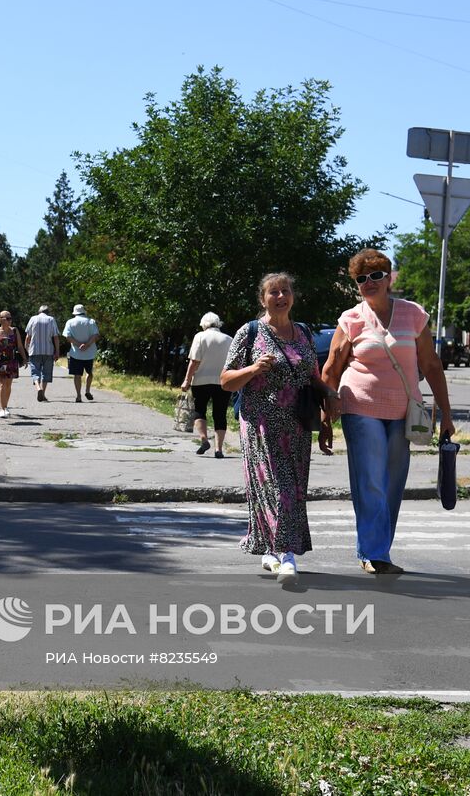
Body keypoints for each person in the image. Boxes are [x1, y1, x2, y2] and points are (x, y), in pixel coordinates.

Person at [320, 249, 455, 576]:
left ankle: (380, 550)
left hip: (403, 411)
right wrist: (325, 417)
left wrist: (446, 416)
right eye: (361, 279)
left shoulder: (413, 315)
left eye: (375, 276)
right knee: (371, 481)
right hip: (360, 406)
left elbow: (432, 365)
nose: (369, 283)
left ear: (388, 278)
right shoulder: (350, 319)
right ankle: (373, 553)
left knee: (393, 482)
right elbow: (330, 370)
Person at [220, 273, 335, 587]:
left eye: (285, 291)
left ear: (293, 296)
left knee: (293, 491)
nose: (281, 296)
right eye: (274, 292)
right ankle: (287, 555)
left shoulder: (303, 333)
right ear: (263, 298)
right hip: (261, 423)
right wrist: (254, 368)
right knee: (277, 488)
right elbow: (226, 379)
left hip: (297, 425)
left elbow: (312, 377)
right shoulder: (250, 332)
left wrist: (329, 399)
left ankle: (270, 549)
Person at [180, 312, 234, 458]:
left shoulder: (200, 336)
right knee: (220, 414)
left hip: (201, 381)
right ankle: (219, 449)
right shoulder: (229, 339)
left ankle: (204, 439)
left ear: (204, 324)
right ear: (218, 323)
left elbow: (194, 361)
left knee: (200, 410)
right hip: (222, 381)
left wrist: (186, 380)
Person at [0, 309, 30, 419]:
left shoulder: (14, 331)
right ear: (1, 320)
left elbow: (19, 346)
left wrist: (25, 358)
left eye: (10, 318)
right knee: (1, 384)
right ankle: (2, 409)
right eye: (7, 318)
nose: (10, 320)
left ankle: (5, 406)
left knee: (8, 385)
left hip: (11, 358)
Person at [62, 304, 101, 403]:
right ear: (84, 311)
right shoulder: (91, 321)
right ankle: (87, 390)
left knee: (77, 375)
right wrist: (87, 345)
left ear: (74, 312)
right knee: (89, 373)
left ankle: (78, 395)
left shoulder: (70, 322)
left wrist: (78, 344)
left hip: (76, 353)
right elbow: (96, 336)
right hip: (89, 353)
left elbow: (67, 336)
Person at [23, 305, 60, 401]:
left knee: (35, 372)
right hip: (48, 351)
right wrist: (57, 351)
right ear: (48, 312)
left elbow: (28, 336)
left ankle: (38, 388)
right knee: (46, 373)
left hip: (34, 350)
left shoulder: (33, 319)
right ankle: (42, 393)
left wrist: (26, 348)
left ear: (39, 312)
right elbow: (55, 337)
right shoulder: (51, 319)